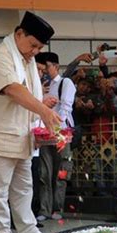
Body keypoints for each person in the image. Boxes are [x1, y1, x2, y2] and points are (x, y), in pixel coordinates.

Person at [0, 11, 61, 233]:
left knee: (23, 186)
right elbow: (12, 89)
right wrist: (44, 110)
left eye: (39, 47)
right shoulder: (0, 55)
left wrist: (40, 126)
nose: (35, 51)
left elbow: (30, 97)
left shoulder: (26, 61)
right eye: (33, 45)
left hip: (21, 137)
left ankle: (26, 227)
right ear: (19, 34)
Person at [35, 52, 76, 221]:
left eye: (47, 67)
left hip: (61, 133)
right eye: (41, 68)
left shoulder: (65, 83)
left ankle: (57, 208)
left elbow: (66, 108)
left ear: (56, 67)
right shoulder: (41, 85)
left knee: (61, 172)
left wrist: (56, 128)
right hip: (44, 133)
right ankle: (44, 210)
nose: (44, 71)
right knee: (44, 172)